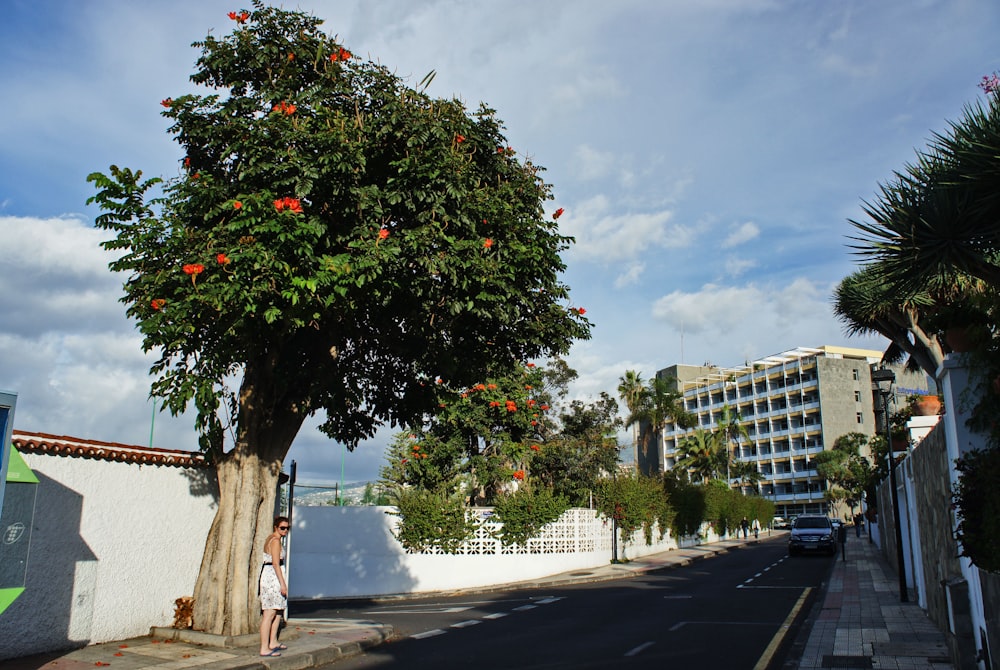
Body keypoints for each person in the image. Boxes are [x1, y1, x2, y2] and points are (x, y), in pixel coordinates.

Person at [259, 516, 290, 657]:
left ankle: (273, 641)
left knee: (278, 611)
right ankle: (264, 647)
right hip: (273, 578)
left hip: (272, 575)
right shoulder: (275, 541)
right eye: (282, 528)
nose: (285, 530)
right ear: (276, 527)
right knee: (270, 612)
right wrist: (283, 583)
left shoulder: (271, 539)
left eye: (287, 528)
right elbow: (276, 563)